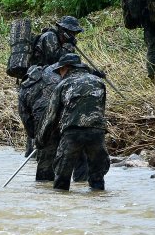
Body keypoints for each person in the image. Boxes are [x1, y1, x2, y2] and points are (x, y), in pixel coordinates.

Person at [36, 54, 110, 191]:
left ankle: (63, 207)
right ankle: (97, 205)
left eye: (60, 70)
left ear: (66, 68)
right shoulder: (98, 81)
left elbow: (50, 117)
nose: (60, 74)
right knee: (97, 177)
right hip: (97, 132)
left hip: (72, 133)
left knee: (62, 178)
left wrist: (40, 141)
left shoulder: (63, 84)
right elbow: (101, 109)